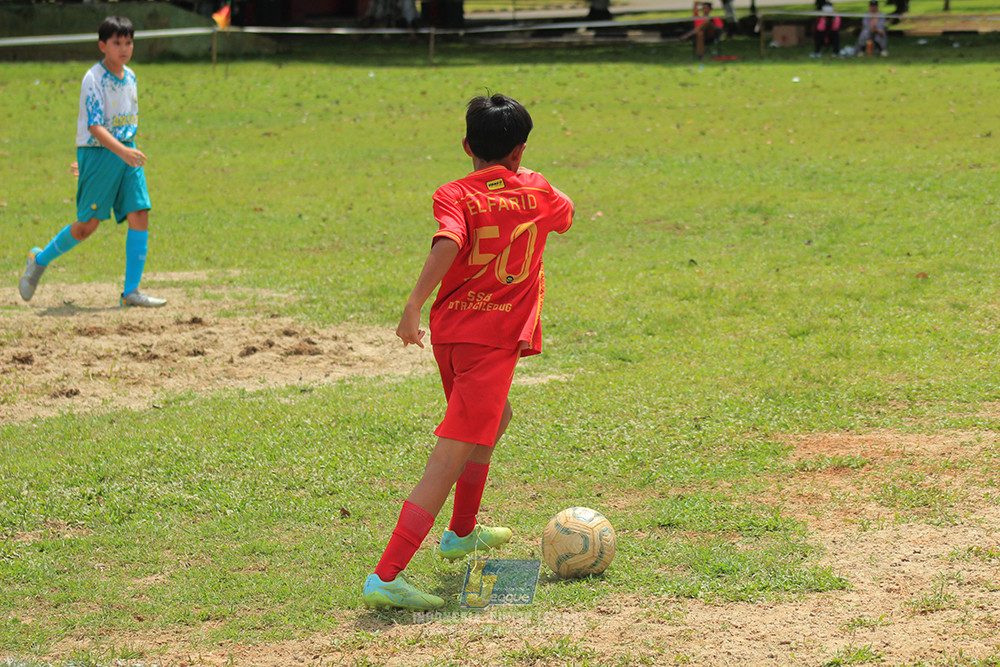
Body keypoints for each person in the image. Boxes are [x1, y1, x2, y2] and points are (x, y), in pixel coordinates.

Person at [361, 94, 574, 611]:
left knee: (494, 418)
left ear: (465, 145)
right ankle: (387, 575)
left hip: (452, 335)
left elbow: (450, 239)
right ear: (520, 151)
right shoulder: (539, 189)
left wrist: (416, 306)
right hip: (491, 341)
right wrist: (526, 178)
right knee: (451, 451)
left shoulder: (453, 192)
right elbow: (566, 216)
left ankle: (460, 532)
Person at [18, 16, 165, 308]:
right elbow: (95, 127)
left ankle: (131, 292)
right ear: (102, 46)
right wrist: (97, 161)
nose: (124, 48)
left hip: (126, 151)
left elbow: (125, 123)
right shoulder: (93, 78)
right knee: (87, 225)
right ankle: (39, 258)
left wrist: (126, 151)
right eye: (117, 43)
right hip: (100, 152)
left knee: (140, 213)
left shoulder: (131, 76)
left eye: (128, 42)